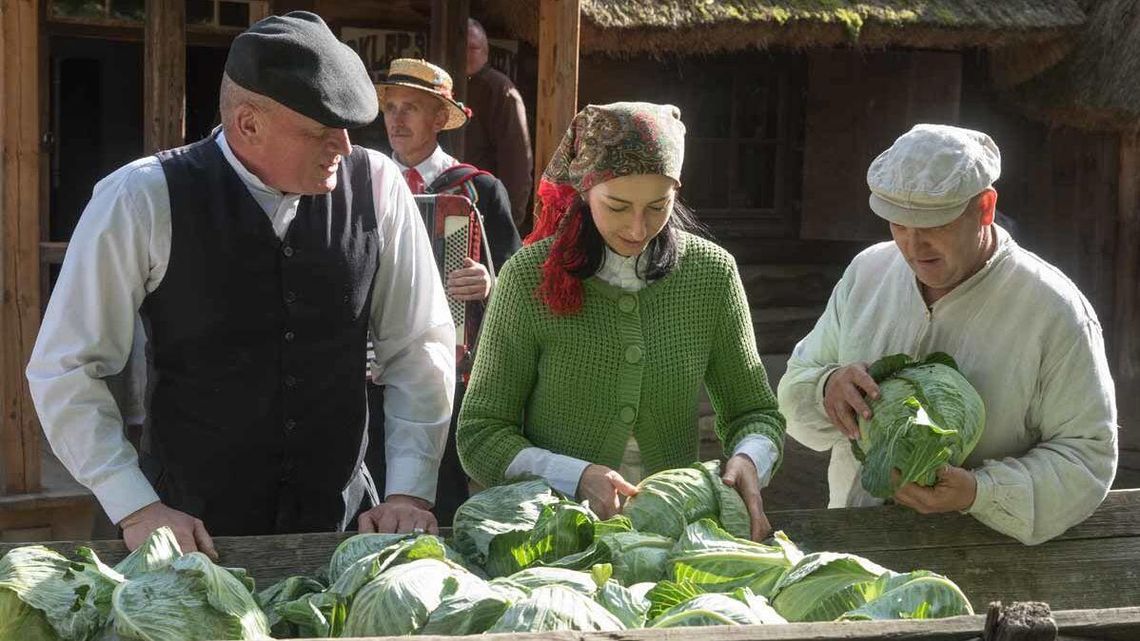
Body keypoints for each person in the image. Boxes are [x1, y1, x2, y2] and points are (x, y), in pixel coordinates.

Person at [25, 12, 455, 555]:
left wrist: (410, 493)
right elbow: (66, 367)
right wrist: (134, 503)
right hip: (187, 535)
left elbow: (421, 346)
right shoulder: (140, 197)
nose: (345, 148)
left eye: (348, 129)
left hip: (341, 527)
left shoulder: (378, 186)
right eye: (322, 131)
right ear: (248, 123)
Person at [457, 102, 786, 541]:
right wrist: (574, 476)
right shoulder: (529, 278)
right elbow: (481, 435)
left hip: (676, 537)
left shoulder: (711, 274)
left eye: (658, 206)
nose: (636, 227)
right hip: (555, 540)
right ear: (585, 189)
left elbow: (755, 413)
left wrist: (749, 459)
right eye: (616, 205)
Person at [777, 124, 1118, 545]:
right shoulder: (868, 274)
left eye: (935, 225)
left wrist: (980, 492)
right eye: (898, 225)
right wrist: (825, 388)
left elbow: (1088, 457)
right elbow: (793, 389)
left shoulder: (1053, 310)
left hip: (983, 561)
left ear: (986, 207)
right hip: (858, 545)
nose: (913, 246)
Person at [373, 58, 522, 524]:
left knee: (446, 484)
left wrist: (488, 283)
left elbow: (520, 283)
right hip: (372, 361)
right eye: (390, 107)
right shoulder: (364, 183)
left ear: (440, 119)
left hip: (453, 364)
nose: (396, 119)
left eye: (411, 108)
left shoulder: (477, 189)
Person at [464, 18, 533, 228]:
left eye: (472, 48)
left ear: (485, 53)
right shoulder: (445, 87)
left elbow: (517, 164)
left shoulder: (500, 90)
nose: (464, 53)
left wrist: (508, 221)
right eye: (460, 47)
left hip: (486, 210)